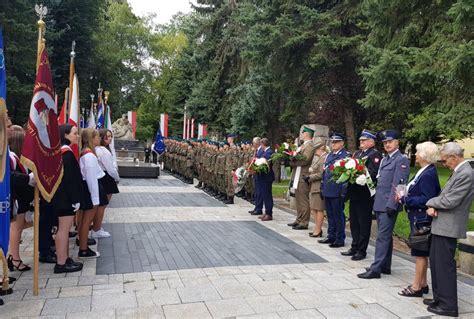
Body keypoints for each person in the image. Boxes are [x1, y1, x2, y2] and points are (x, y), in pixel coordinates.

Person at [423, 142, 474, 317]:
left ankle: (448, 305)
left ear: (454, 157)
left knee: (444, 266)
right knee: (437, 264)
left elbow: (451, 200)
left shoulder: (466, 173)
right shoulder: (459, 171)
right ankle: (439, 298)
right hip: (442, 224)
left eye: (445, 161)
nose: (444, 164)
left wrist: (430, 203)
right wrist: (436, 204)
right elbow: (445, 196)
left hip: (449, 226)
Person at [358, 129, 410, 279]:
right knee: (385, 236)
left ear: (397, 143)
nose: (387, 144)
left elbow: (400, 184)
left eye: (390, 142)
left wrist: (393, 204)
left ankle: (376, 269)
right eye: (385, 142)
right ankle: (385, 265)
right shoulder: (386, 159)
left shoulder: (401, 160)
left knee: (382, 237)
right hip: (380, 202)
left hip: (388, 204)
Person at [395, 141, 440, 297]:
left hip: (421, 218)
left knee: (420, 252)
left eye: (417, 152)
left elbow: (427, 199)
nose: (415, 154)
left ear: (425, 155)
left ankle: (416, 287)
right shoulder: (424, 170)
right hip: (417, 216)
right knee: (421, 252)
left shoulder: (428, 174)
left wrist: (405, 200)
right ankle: (423, 283)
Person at [341, 130, 381, 260]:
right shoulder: (357, 154)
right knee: (354, 222)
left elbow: (374, 174)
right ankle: (354, 246)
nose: (361, 143)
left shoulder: (375, 155)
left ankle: (361, 250)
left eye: (364, 141)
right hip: (354, 193)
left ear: (371, 142)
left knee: (363, 222)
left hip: (365, 194)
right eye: (360, 141)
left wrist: (362, 172)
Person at [51, 124, 84, 273]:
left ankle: (64, 257)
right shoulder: (67, 154)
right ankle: (61, 262)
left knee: (63, 229)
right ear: (65, 135)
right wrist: (75, 199)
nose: (77, 136)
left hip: (62, 197)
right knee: (63, 230)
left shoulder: (62, 152)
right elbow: (70, 180)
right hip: (65, 198)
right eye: (75, 133)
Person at [7, 126, 35, 272]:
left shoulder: (15, 156)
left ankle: (13, 257)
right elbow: (11, 177)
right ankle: (15, 259)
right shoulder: (11, 157)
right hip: (16, 198)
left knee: (17, 228)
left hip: (21, 199)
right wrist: (28, 179)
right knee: (16, 229)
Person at [78, 128, 106, 258]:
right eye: (97, 136)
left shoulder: (87, 153)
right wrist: (95, 198)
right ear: (91, 138)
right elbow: (91, 178)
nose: (99, 138)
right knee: (86, 221)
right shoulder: (89, 156)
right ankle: (83, 249)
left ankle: (83, 245)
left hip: (88, 189)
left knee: (84, 221)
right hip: (91, 190)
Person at [319, 132, 349, 247]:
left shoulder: (345, 156)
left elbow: (345, 175)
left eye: (336, 142)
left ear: (342, 143)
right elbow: (324, 172)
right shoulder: (329, 155)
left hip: (337, 190)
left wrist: (343, 191)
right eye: (332, 142)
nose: (333, 144)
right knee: (330, 215)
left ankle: (339, 238)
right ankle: (331, 235)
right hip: (328, 189)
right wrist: (322, 187)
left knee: (338, 216)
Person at [92, 129, 119, 239]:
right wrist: (117, 178)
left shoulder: (99, 149)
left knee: (100, 206)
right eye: (107, 136)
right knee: (102, 206)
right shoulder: (103, 151)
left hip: (103, 177)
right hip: (107, 177)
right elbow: (110, 169)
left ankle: (97, 227)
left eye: (110, 136)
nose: (110, 138)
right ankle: (96, 229)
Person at [287, 127, 316, 230]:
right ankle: (299, 219)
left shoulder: (309, 145)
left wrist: (293, 161)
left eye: (303, 133)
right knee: (298, 198)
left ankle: (304, 222)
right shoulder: (303, 145)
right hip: (297, 174)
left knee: (303, 199)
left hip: (303, 175)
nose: (301, 135)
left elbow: (305, 160)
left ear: (307, 134)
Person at [306, 141, 327, 237]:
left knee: (319, 209)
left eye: (316, 149)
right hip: (314, 186)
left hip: (319, 187)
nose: (314, 152)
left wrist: (310, 177)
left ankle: (318, 229)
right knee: (314, 208)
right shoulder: (320, 158)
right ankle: (317, 228)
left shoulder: (323, 158)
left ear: (320, 149)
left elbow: (321, 173)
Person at [256, 138, 274, 221]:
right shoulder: (264, 152)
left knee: (267, 196)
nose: (260, 146)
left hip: (267, 177)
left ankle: (269, 213)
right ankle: (266, 212)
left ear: (263, 144)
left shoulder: (269, 152)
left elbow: (265, 162)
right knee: (264, 195)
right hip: (262, 177)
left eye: (261, 144)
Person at [248, 137, 262, 215]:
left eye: (254, 143)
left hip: (259, 174)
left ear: (257, 143)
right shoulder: (256, 150)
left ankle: (258, 209)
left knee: (259, 192)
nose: (253, 145)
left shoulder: (260, 151)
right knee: (256, 192)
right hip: (255, 173)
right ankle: (256, 208)